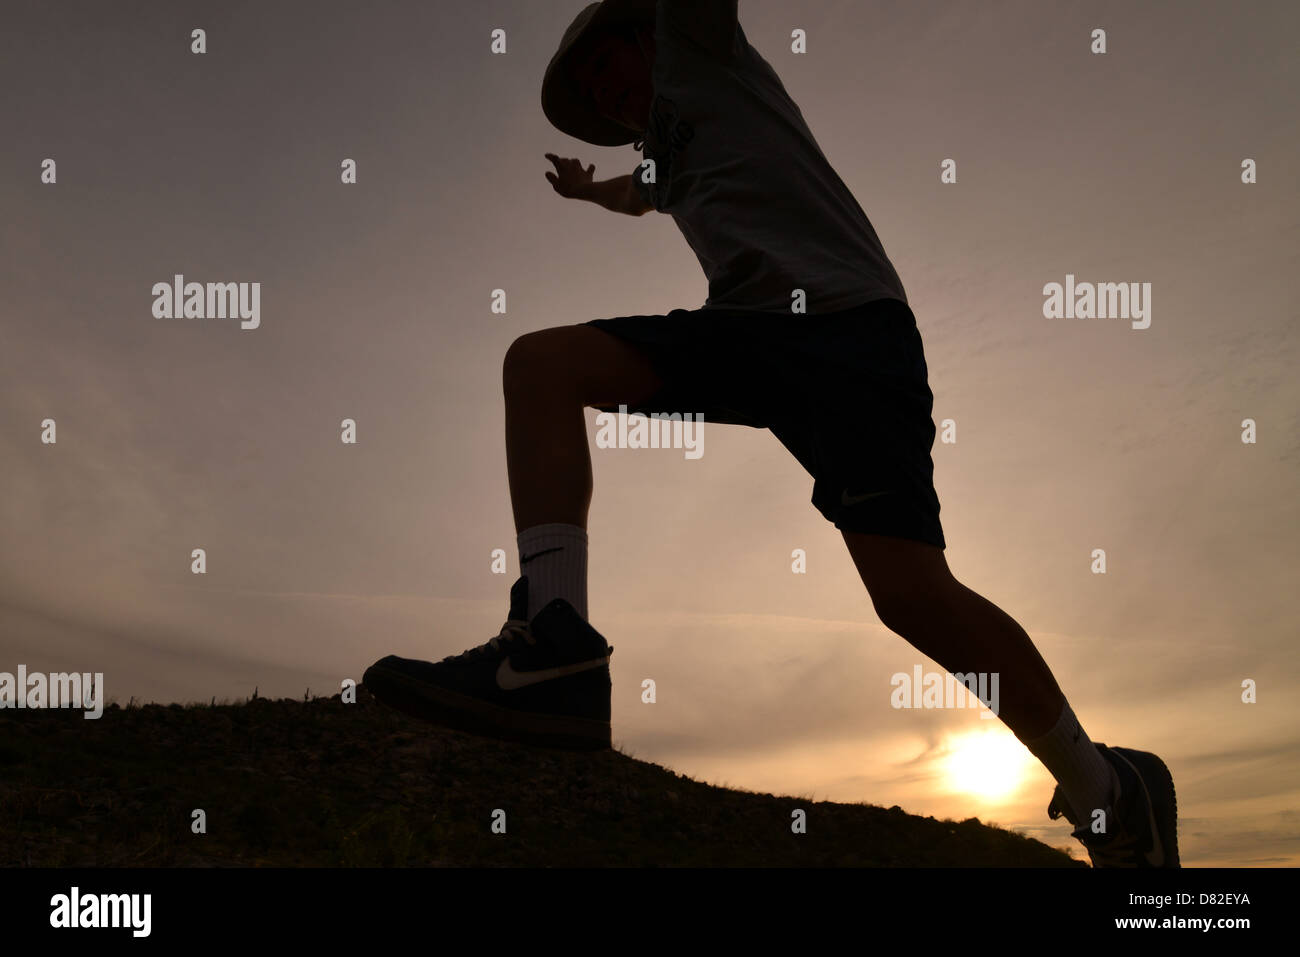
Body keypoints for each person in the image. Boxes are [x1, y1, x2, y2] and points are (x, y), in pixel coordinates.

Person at [363, 0, 1178, 868]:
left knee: (909, 595)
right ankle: (554, 645)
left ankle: (1105, 791)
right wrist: (585, 188)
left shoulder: (699, 48)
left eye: (607, 68)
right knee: (542, 366)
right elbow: (641, 195)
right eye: (593, 95)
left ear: (646, 36)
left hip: (849, 330)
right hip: (751, 333)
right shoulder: (665, 156)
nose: (606, 97)